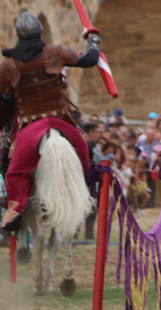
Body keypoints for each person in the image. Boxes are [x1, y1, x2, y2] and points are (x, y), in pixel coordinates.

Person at [0, 12, 100, 231]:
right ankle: (88, 190)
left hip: (29, 128)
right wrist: (94, 43)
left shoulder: (8, 66)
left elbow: (4, 101)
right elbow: (89, 60)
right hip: (61, 122)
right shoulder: (55, 53)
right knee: (83, 152)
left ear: (18, 35)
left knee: (16, 170)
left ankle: (15, 208)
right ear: (39, 33)